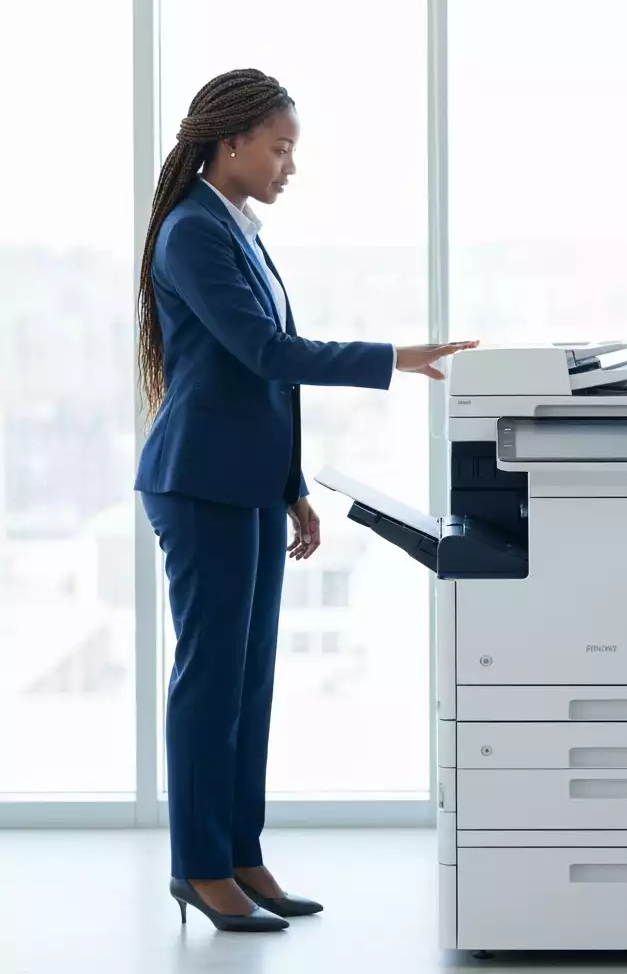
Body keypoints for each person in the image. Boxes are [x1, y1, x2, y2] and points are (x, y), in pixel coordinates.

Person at [134, 68, 476, 933]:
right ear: (231, 143)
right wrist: (392, 357)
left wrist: (290, 491)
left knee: (247, 684)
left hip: (246, 483)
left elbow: (254, 385)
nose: (289, 165)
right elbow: (262, 351)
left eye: (292, 150)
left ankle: (242, 855)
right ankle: (199, 867)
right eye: (280, 148)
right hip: (200, 486)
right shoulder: (192, 234)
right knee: (209, 683)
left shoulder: (235, 229)